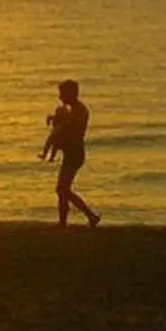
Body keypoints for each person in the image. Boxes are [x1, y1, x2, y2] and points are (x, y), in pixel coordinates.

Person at [41, 79, 99, 227]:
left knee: (62, 189)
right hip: (70, 153)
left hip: (75, 154)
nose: (60, 97)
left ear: (71, 94)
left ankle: (90, 215)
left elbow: (71, 130)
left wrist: (59, 123)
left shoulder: (80, 111)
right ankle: (63, 222)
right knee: (62, 189)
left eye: (62, 94)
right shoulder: (72, 110)